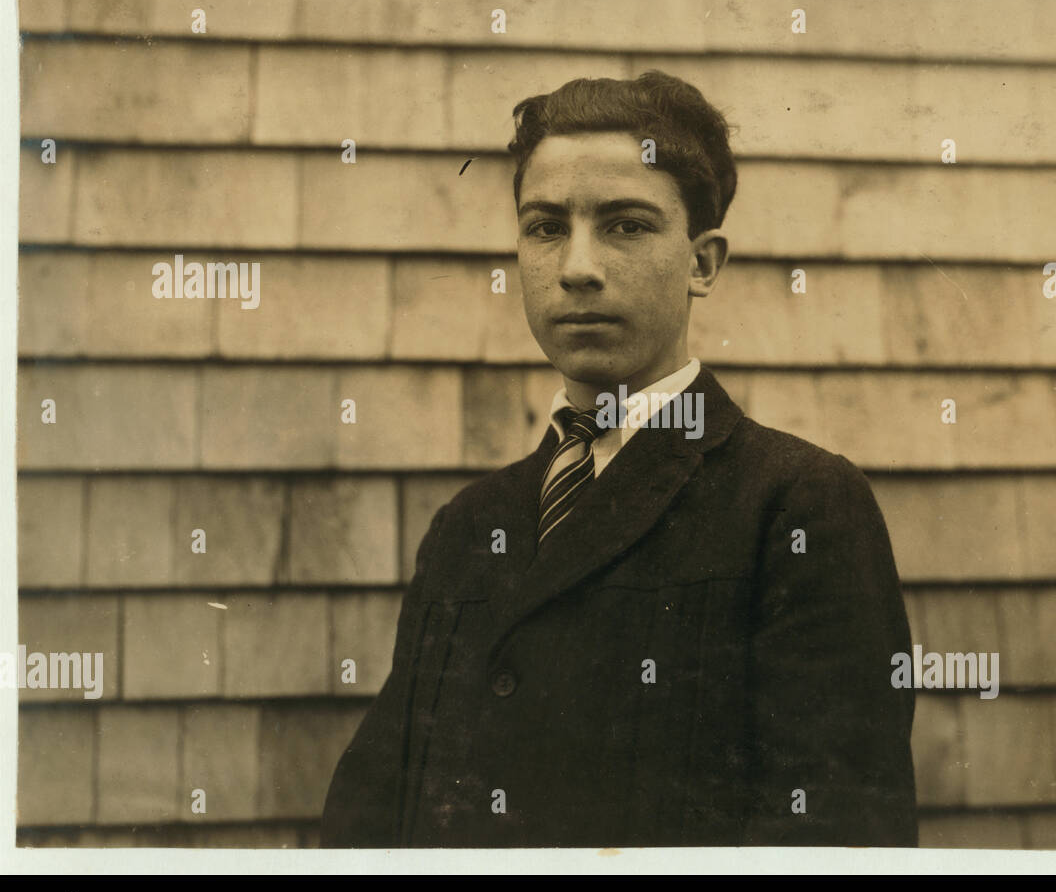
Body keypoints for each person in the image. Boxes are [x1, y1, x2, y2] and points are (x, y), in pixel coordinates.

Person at [321, 70, 918, 847]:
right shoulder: (470, 527)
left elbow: (841, 839)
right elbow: (368, 823)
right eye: (545, 227)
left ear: (703, 263)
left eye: (626, 225)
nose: (577, 266)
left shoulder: (794, 507)